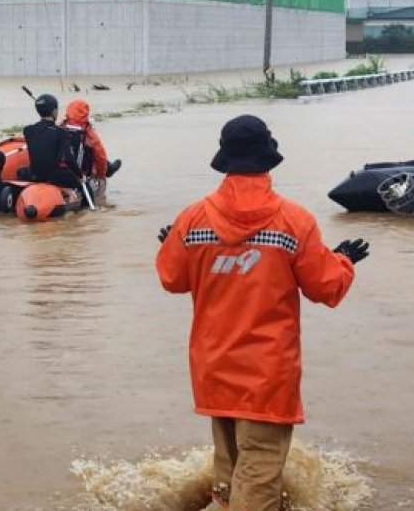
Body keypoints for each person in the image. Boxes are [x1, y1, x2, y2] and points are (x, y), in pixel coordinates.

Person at [155, 115, 368, 511]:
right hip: (267, 375)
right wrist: (343, 261)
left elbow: (172, 278)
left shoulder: (192, 219)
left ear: (225, 159)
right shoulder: (294, 221)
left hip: (213, 367)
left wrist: (173, 244)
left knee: (229, 469)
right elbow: (326, 288)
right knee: (259, 476)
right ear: (268, 158)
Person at [23, 93, 82, 190]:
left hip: (34, 174)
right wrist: (80, 175)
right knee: (80, 182)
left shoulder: (27, 130)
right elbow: (69, 159)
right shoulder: (61, 132)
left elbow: (43, 138)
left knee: (20, 171)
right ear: (54, 111)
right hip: (54, 176)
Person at [61, 98, 122, 180]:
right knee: (93, 152)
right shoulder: (89, 133)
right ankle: (108, 169)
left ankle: (108, 167)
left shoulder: (59, 128)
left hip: (60, 172)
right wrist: (101, 175)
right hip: (82, 173)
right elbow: (100, 156)